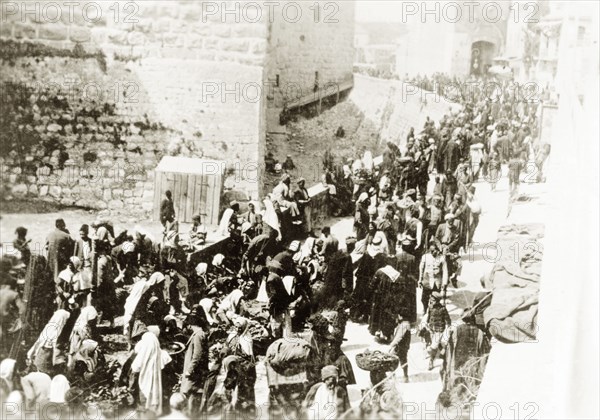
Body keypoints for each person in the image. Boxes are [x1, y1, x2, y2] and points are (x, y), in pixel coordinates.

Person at [131, 326, 171, 417]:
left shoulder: (145, 349)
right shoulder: (156, 348)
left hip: (145, 379)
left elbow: (136, 366)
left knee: (145, 398)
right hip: (155, 380)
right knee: (153, 398)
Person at [181, 306, 209, 415]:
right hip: (197, 370)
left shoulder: (198, 335)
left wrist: (189, 370)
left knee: (191, 393)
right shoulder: (199, 333)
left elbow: (197, 354)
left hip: (194, 371)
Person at [27, 309, 71, 376]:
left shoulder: (51, 327)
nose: (65, 322)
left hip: (43, 355)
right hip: (45, 356)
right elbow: (50, 348)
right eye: (65, 320)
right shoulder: (54, 331)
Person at [420, 292, 452, 370]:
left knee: (434, 346)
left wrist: (449, 326)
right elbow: (429, 317)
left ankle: (431, 361)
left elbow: (448, 319)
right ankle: (444, 354)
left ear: (437, 301)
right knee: (436, 343)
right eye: (431, 299)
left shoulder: (443, 309)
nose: (431, 301)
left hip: (439, 329)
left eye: (433, 300)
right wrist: (426, 324)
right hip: (431, 329)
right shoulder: (430, 307)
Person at [418, 244, 448, 315]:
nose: (432, 253)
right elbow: (421, 269)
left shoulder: (442, 258)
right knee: (424, 299)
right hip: (427, 281)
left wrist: (444, 283)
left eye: (434, 251)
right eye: (431, 251)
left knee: (435, 299)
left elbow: (445, 271)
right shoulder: (425, 257)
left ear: (437, 250)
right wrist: (420, 280)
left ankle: (433, 313)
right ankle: (425, 310)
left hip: (437, 282)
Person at [389, 315, 412, 382]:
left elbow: (399, 337)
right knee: (403, 360)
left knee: (393, 359)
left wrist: (392, 345)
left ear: (401, 316)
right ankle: (405, 376)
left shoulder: (403, 325)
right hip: (404, 346)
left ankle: (393, 375)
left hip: (400, 346)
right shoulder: (406, 324)